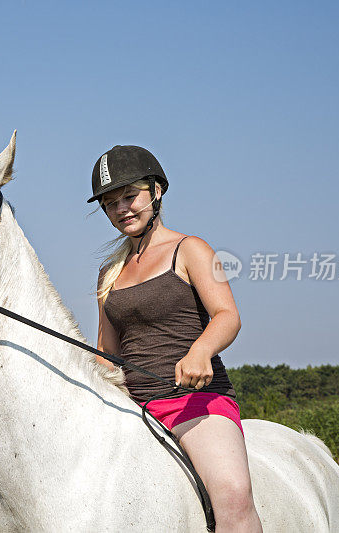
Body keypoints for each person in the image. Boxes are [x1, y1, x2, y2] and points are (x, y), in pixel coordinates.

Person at [89, 145, 262, 532]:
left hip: (194, 403)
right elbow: (107, 354)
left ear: (157, 191)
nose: (121, 209)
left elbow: (227, 315)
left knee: (232, 495)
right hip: (132, 407)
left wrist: (201, 350)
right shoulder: (108, 274)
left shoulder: (192, 249)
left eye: (130, 196)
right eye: (110, 203)